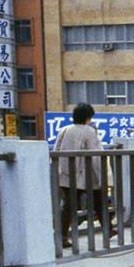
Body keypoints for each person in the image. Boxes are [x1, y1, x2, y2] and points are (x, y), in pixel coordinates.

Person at [54, 102, 108, 248]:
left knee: (68, 206)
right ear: (88, 117)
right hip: (86, 175)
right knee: (98, 200)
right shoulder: (89, 131)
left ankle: (62, 236)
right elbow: (96, 156)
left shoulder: (64, 130)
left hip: (66, 174)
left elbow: (56, 151)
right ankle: (108, 229)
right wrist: (103, 177)